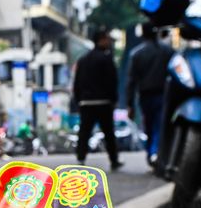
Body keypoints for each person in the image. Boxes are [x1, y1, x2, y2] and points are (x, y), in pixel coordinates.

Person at [73, 29, 123, 169]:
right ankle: (114, 160)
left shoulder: (82, 60)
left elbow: (76, 83)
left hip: (86, 102)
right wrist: (113, 99)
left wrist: (78, 101)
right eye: (107, 39)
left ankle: (81, 158)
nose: (109, 42)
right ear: (101, 40)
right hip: (103, 102)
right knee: (108, 133)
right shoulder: (106, 59)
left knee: (84, 132)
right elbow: (113, 81)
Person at [126, 22, 174, 165]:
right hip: (163, 95)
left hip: (145, 96)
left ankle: (152, 153)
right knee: (159, 125)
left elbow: (131, 81)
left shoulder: (137, 54)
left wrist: (130, 104)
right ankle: (155, 153)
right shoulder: (168, 52)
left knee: (149, 125)